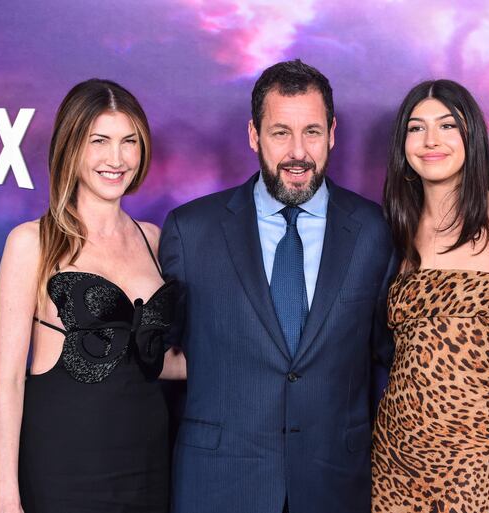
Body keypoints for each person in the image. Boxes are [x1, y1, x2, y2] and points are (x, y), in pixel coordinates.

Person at [158, 59, 396, 513]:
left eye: (311, 131)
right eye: (280, 132)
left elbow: (394, 357)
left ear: (332, 133)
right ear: (254, 136)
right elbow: (159, 356)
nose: (297, 152)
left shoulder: (374, 230)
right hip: (219, 485)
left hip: (335, 486)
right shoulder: (192, 231)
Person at [0, 79, 185, 513]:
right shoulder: (33, 243)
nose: (116, 159)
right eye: (100, 141)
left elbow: (152, 358)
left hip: (149, 465)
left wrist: (247, 364)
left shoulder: (153, 240)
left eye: (128, 141)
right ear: (71, 146)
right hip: (64, 468)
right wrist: (6, 497)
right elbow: (6, 381)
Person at [371, 79, 489, 512]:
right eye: (416, 127)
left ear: (472, 137)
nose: (431, 140)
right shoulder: (393, 228)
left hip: (479, 452)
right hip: (395, 453)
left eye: (447, 125)